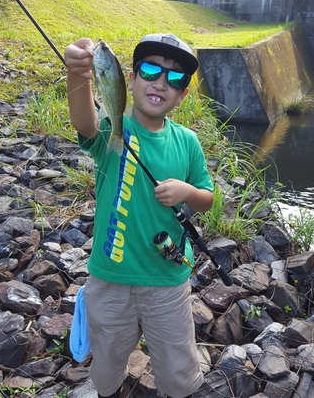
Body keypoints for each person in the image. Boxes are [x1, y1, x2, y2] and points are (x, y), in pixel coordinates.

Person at [64, 33, 214, 398]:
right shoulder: (113, 130)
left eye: (175, 79)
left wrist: (187, 192)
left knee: (179, 372)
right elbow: (84, 121)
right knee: (108, 366)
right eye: (150, 70)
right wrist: (77, 74)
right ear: (128, 80)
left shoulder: (187, 142)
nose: (161, 82)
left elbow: (207, 198)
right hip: (110, 277)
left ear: (182, 95)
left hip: (168, 282)